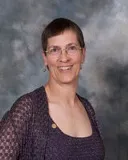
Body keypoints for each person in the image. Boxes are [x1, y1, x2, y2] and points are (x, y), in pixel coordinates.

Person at [0, 18, 105, 160]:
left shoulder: (88, 109)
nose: (64, 58)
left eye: (71, 48)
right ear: (45, 58)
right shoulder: (28, 108)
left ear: (83, 54)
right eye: (55, 50)